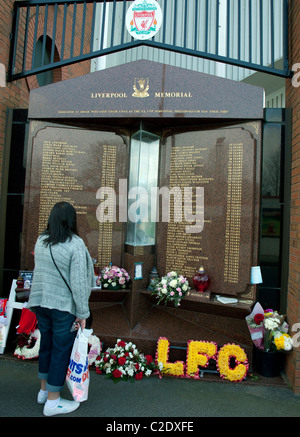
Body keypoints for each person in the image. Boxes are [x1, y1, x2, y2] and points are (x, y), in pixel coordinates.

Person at [27, 201, 95, 416]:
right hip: (63, 308)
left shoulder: (41, 241)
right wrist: (83, 313)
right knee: (60, 352)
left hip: (41, 303)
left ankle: (44, 391)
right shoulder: (75, 244)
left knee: (46, 345)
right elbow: (79, 283)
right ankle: (53, 402)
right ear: (72, 220)